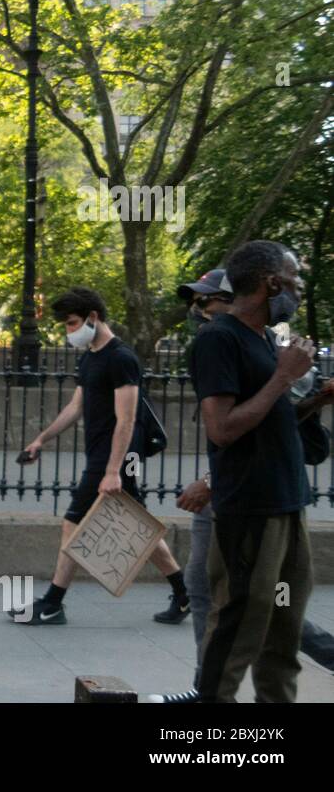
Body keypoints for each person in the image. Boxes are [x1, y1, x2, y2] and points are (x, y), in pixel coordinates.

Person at [149, 266, 334, 703]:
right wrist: (284, 377)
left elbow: (277, 420)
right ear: (271, 283)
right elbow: (223, 430)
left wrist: (317, 398)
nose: (298, 292)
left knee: (283, 627)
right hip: (251, 509)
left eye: (203, 299)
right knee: (237, 620)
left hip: (287, 504)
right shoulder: (219, 339)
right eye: (295, 282)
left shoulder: (267, 340)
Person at [11, 287, 188, 625]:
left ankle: (52, 604)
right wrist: (41, 440)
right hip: (108, 457)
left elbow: (128, 419)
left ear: (93, 317)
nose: (69, 330)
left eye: (73, 322)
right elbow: (75, 407)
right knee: (135, 522)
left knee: (73, 522)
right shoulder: (91, 356)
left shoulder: (121, 358)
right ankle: (183, 594)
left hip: (115, 458)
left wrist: (111, 470)